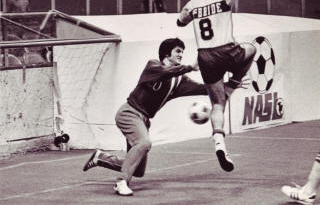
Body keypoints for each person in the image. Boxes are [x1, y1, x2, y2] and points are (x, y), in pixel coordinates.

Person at [82, 37, 249, 196]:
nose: (181, 54)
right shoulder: (153, 66)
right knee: (144, 143)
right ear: (166, 54)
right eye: (177, 51)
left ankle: (101, 158)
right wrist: (190, 67)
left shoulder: (179, 81)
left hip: (144, 120)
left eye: (182, 51)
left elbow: (204, 88)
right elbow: (165, 72)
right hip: (129, 113)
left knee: (138, 170)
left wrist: (231, 84)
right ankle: (120, 182)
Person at [176, 0, 271, 173]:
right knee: (252, 49)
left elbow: (180, 21)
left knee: (217, 104)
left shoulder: (194, 1)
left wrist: (195, 12)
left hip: (205, 57)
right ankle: (233, 85)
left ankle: (219, 143)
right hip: (226, 50)